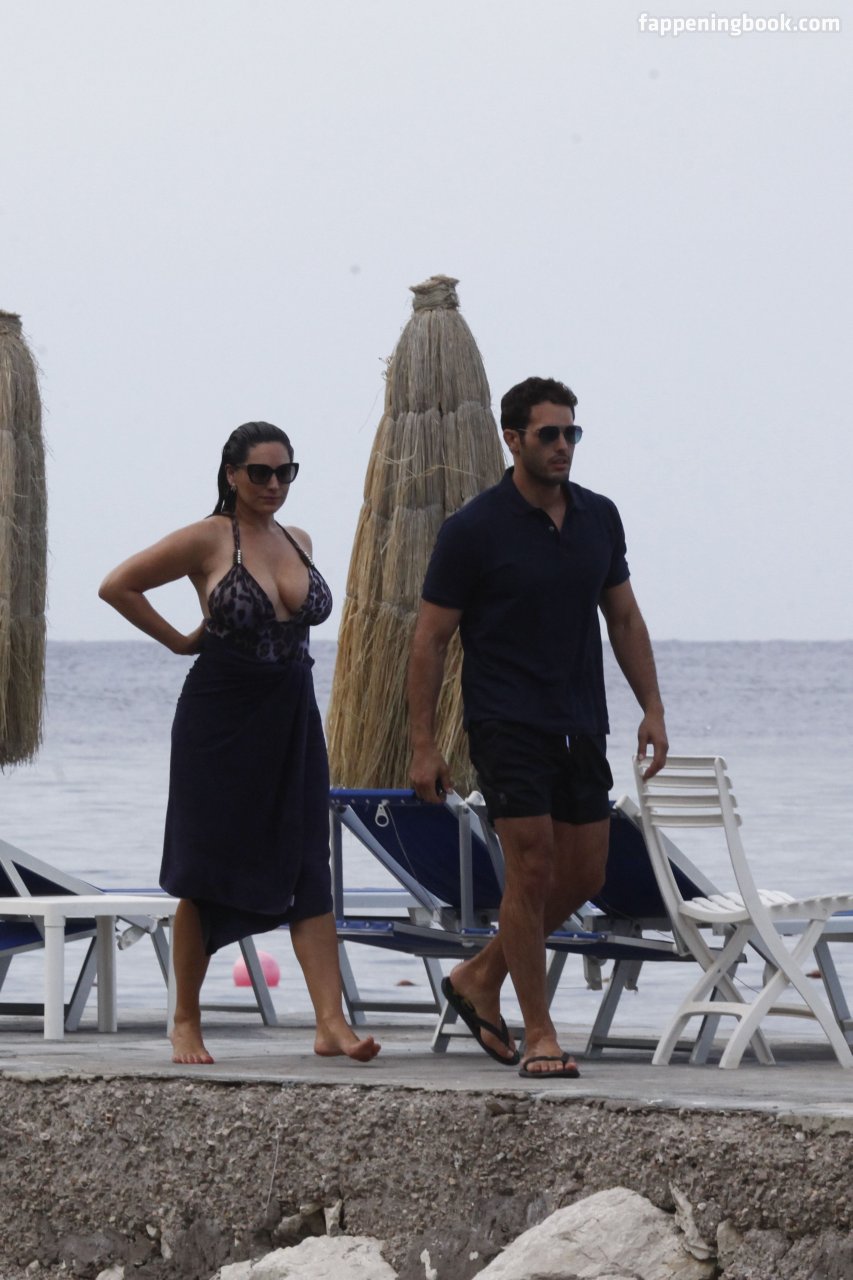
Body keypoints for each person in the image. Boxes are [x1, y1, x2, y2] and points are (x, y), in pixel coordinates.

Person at [408, 377, 667, 1079]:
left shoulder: (598, 517)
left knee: (585, 872)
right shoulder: (472, 529)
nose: (562, 445)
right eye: (548, 434)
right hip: (505, 721)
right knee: (530, 870)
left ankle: (477, 975)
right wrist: (425, 744)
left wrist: (652, 707)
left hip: (581, 720)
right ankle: (541, 1034)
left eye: (570, 433)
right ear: (513, 438)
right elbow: (429, 640)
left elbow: (623, 617)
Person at [99, 421, 380, 1066]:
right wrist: (180, 641)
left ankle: (330, 1023)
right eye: (260, 472)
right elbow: (117, 586)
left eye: (285, 472)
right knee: (206, 867)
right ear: (232, 474)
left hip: (293, 716)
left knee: (308, 864)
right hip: (220, 719)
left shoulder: (298, 539)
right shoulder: (207, 537)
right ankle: (186, 1021)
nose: (273, 484)